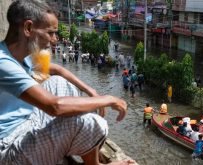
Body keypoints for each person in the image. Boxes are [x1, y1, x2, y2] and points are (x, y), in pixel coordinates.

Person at [0, 1, 135, 165]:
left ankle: (83, 151)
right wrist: (108, 99)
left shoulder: (19, 56)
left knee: (59, 83)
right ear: (28, 28)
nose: (54, 40)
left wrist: (90, 90)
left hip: (27, 120)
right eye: (50, 33)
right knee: (93, 122)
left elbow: (57, 70)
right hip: (8, 147)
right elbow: (54, 106)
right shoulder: (3, 62)